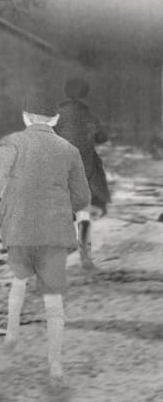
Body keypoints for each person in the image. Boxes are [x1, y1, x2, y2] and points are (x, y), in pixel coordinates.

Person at [0, 94, 91, 381]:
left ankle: (12, 332)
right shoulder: (68, 149)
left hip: (19, 228)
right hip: (54, 231)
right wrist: (67, 208)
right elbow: (82, 197)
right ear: (55, 119)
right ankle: (55, 363)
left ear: (26, 116)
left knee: (18, 279)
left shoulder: (12, 142)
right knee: (53, 297)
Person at [55, 78, 111, 271]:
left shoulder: (57, 113)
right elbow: (102, 136)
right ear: (84, 94)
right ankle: (85, 256)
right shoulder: (88, 114)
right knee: (84, 213)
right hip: (86, 168)